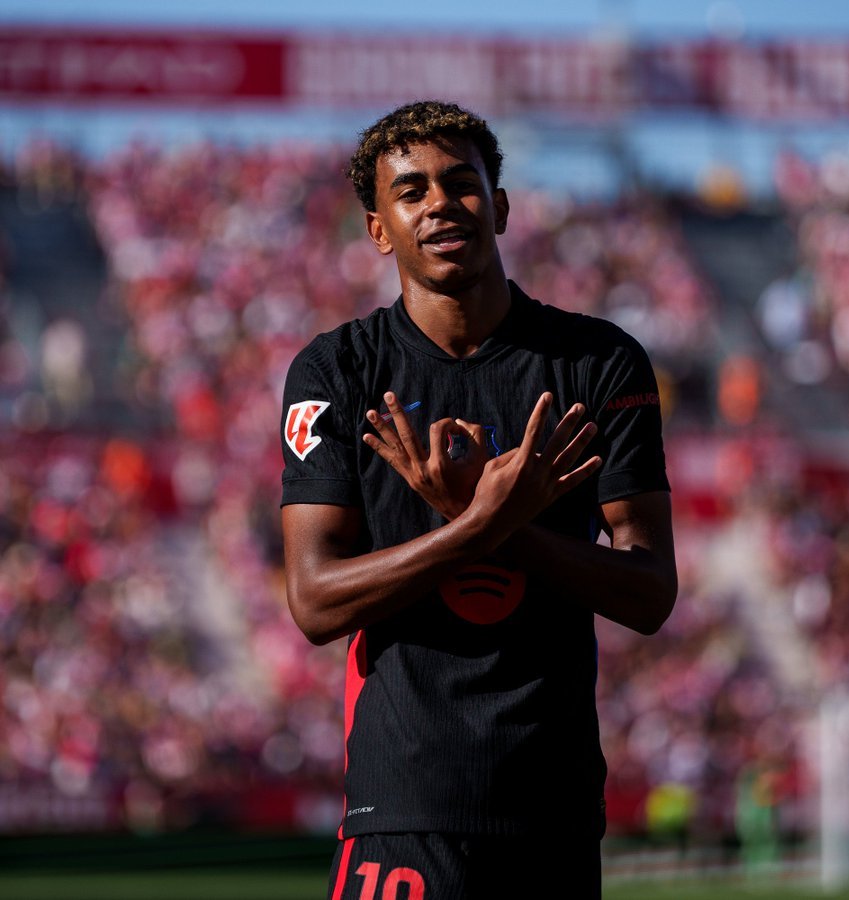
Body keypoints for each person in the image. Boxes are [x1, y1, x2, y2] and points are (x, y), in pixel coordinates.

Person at [280, 100, 677, 899]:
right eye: (411, 190)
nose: (438, 204)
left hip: (553, 813)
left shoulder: (598, 362)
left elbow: (649, 591)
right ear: (379, 228)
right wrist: (483, 525)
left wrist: (490, 524)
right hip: (401, 809)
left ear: (499, 206)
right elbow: (316, 602)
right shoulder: (337, 373)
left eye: (460, 184)